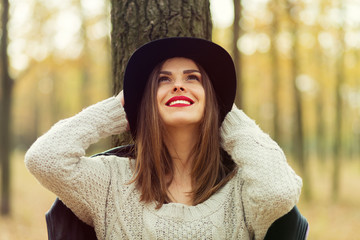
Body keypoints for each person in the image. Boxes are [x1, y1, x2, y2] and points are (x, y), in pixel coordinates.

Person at [25, 37, 302, 240]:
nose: (178, 85)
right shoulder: (111, 184)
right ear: (147, 101)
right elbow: (45, 159)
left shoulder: (242, 189)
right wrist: (123, 107)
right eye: (163, 80)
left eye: (193, 78)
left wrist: (224, 112)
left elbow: (278, 193)